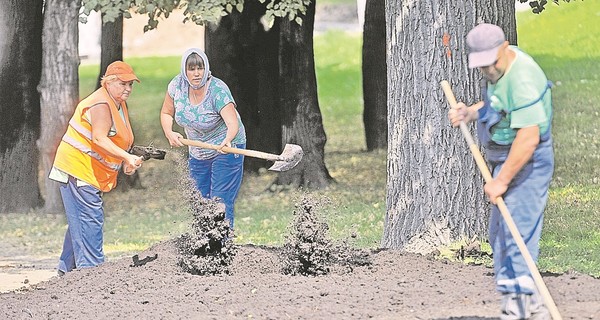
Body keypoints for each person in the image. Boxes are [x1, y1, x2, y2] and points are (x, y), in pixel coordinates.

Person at [448, 23, 554, 319]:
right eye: (481, 66)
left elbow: (529, 137)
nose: (488, 71)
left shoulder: (522, 78)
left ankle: (524, 308)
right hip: (505, 159)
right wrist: (471, 113)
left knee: (517, 231)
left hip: (527, 162)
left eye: (492, 63)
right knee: (499, 235)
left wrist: (502, 180)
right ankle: (518, 303)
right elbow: (498, 104)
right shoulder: (499, 71)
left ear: (505, 48)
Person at [50, 61, 144, 274]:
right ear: (108, 82)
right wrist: (127, 157)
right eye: (123, 83)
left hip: (88, 169)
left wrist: (125, 162)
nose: (128, 88)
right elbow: (100, 139)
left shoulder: (117, 103)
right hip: (78, 168)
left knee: (80, 219)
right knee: (90, 218)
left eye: (131, 84)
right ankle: (91, 272)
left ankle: (67, 270)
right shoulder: (101, 104)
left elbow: (117, 141)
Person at [160, 48, 246, 232]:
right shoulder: (177, 86)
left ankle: (223, 248)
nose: (196, 73)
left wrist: (227, 140)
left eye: (200, 68)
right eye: (191, 69)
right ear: (185, 71)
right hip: (198, 151)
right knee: (200, 201)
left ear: (206, 68)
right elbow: (167, 112)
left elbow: (232, 123)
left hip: (227, 147)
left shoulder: (217, 90)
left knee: (219, 201)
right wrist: (169, 132)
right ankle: (204, 247)